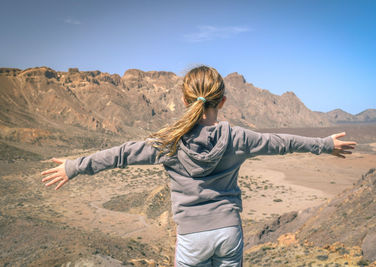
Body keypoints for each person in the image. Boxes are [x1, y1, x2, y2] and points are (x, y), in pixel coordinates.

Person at [41, 65, 356, 266]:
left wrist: (74, 167)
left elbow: (121, 154)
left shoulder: (169, 143)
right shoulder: (237, 138)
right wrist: (324, 145)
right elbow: (282, 142)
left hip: (192, 238)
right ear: (222, 102)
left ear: (184, 101)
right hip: (229, 232)